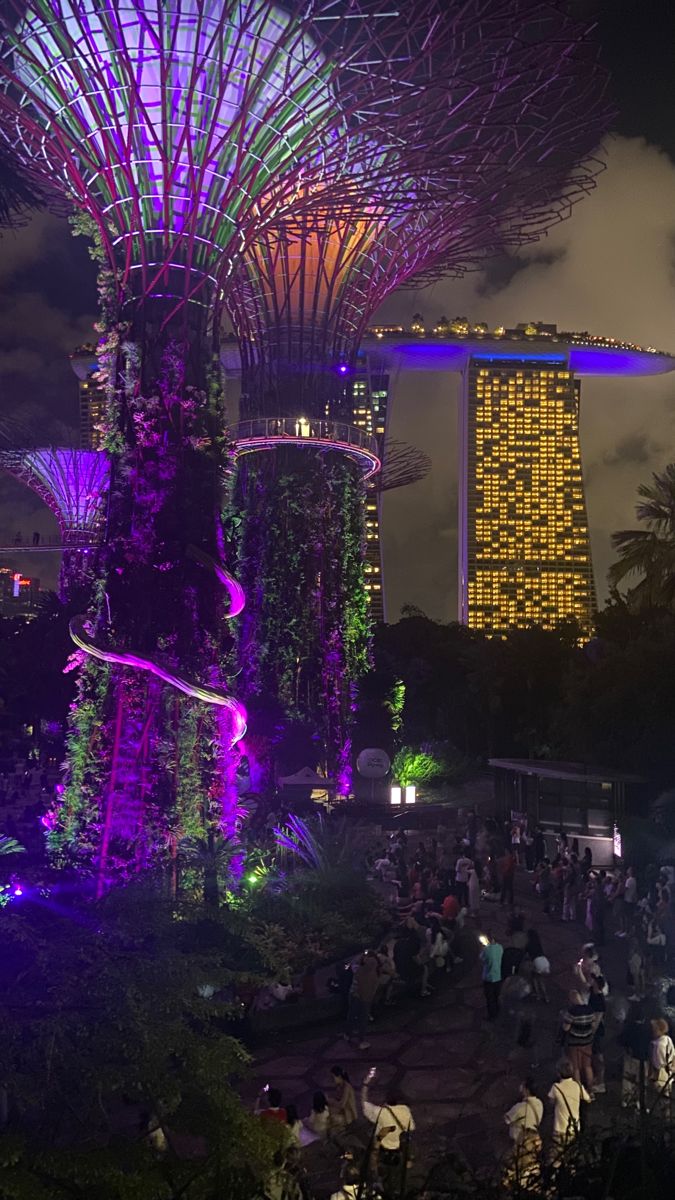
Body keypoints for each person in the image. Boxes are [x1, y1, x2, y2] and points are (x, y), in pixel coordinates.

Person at [361, 1070, 415, 1197]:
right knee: (394, 1177)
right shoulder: (405, 1110)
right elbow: (411, 1127)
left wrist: (365, 1084)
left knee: (379, 1173)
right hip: (398, 1150)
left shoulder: (380, 1112)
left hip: (382, 1150)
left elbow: (364, 1105)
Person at [547, 1060, 591, 1159]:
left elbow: (551, 1102)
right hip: (574, 1127)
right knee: (571, 1157)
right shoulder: (577, 1086)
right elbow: (588, 1099)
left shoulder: (556, 1088)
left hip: (559, 1127)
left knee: (555, 1157)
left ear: (558, 1073)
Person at [561, 989, 597, 1090]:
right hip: (588, 1041)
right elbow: (593, 1025)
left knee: (575, 1067)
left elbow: (566, 1028)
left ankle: (578, 1090)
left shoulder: (572, 1012)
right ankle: (590, 1089)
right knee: (587, 1066)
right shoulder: (590, 1009)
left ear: (572, 999)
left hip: (575, 1043)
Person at [346, 951, 379, 1049]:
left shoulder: (358, 969)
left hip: (355, 994)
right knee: (363, 1018)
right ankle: (361, 1040)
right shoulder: (368, 971)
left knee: (352, 1015)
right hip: (364, 997)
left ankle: (348, 1034)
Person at [504, 1077, 543, 1145]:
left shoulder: (520, 1107)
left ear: (527, 1090)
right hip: (533, 1143)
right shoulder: (540, 1104)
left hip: (520, 1143)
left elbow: (507, 1120)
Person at [588, 974, 607, 1094]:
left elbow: (598, 1018)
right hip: (592, 1029)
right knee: (594, 1055)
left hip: (596, 1032)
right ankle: (597, 1078)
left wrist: (591, 1033)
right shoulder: (593, 993)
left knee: (598, 1056)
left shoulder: (600, 1000)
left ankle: (601, 1082)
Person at [650, 1017, 675, 1101]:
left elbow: (658, 1063)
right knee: (666, 1095)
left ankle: (663, 1113)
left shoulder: (659, 1045)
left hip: (660, 1074)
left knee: (660, 1096)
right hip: (669, 1071)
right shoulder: (668, 1039)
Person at [480, 932, 503, 1020]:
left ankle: (492, 1016)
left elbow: (482, 958)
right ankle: (499, 1013)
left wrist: (483, 949)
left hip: (489, 977)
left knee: (490, 998)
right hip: (498, 976)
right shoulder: (500, 947)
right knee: (497, 996)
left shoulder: (486, 950)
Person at [330, 1066, 357, 1131]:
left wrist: (332, 1101)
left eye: (333, 1077)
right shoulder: (339, 1087)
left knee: (331, 1119)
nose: (332, 1079)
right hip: (342, 1112)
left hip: (348, 1116)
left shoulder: (347, 1087)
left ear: (339, 1076)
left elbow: (342, 1104)